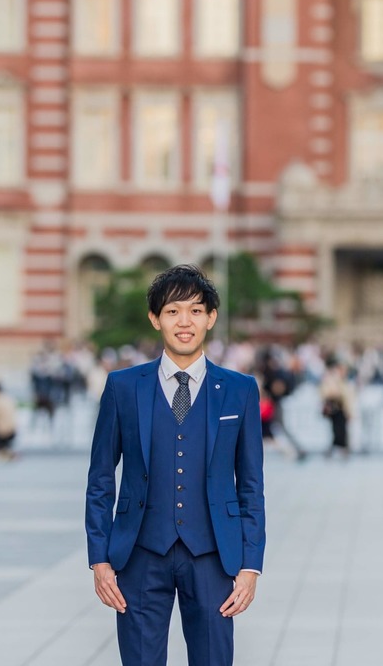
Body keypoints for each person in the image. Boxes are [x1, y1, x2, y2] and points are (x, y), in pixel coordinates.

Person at [85, 264, 265, 666]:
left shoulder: (239, 390)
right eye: (172, 311)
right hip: (139, 557)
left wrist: (251, 565)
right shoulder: (123, 387)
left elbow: (251, 484)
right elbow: (100, 480)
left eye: (196, 311)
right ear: (155, 318)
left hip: (214, 557)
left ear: (211, 318)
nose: (185, 322)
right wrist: (99, 558)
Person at [319, 357, 354, 459]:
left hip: (342, 408)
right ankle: (339, 449)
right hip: (335, 407)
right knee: (337, 430)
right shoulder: (332, 379)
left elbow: (347, 397)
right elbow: (326, 392)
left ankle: (339, 449)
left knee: (341, 430)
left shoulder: (344, 381)